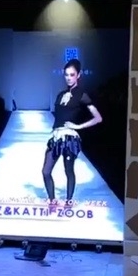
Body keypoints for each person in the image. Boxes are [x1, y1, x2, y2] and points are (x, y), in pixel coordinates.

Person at [42, 59, 102, 207]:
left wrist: (78, 126)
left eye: (72, 74)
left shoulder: (82, 95)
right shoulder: (60, 95)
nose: (69, 78)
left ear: (78, 75)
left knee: (68, 170)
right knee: (46, 171)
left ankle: (68, 202)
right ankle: (52, 201)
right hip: (56, 137)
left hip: (70, 138)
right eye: (66, 75)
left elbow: (98, 118)